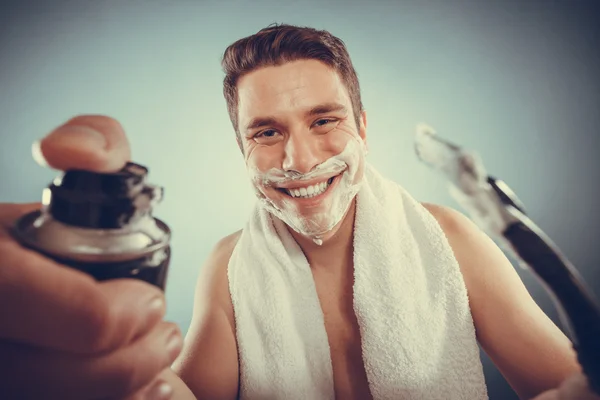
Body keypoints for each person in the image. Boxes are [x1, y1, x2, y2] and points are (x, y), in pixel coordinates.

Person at [0, 24, 596, 400]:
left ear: (362, 127)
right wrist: (108, 370)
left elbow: (570, 385)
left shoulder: (449, 239)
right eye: (265, 132)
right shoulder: (230, 264)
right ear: (243, 150)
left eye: (324, 120)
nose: (298, 158)